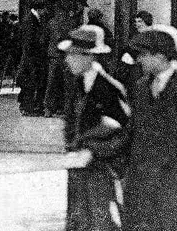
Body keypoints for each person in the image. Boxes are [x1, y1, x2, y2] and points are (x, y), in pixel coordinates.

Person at [123, 25, 177, 231]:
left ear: (161, 56)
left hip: (172, 192)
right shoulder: (141, 86)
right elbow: (134, 133)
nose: (139, 60)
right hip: (140, 190)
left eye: (144, 54)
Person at [59, 25, 130, 231]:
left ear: (89, 57)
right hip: (78, 170)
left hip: (103, 172)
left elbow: (125, 132)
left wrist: (94, 150)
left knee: (103, 222)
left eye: (72, 55)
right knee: (77, 221)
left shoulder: (109, 88)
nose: (67, 60)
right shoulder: (76, 84)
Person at [46, 0, 84, 117]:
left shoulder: (52, 22)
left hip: (55, 56)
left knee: (53, 83)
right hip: (63, 56)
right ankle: (65, 109)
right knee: (66, 83)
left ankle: (49, 108)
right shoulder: (68, 23)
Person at [17, 0, 50, 116]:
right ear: (39, 9)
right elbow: (29, 41)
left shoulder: (33, 19)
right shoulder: (30, 20)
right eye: (44, 9)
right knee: (30, 82)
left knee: (31, 82)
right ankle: (27, 107)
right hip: (31, 57)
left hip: (32, 56)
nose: (46, 11)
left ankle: (29, 107)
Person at [0, 11, 21, 89]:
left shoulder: (14, 26)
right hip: (16, 47)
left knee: (13, 64)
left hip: (13, 48)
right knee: (15, 65)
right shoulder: (17, 25)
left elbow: (12, 37)